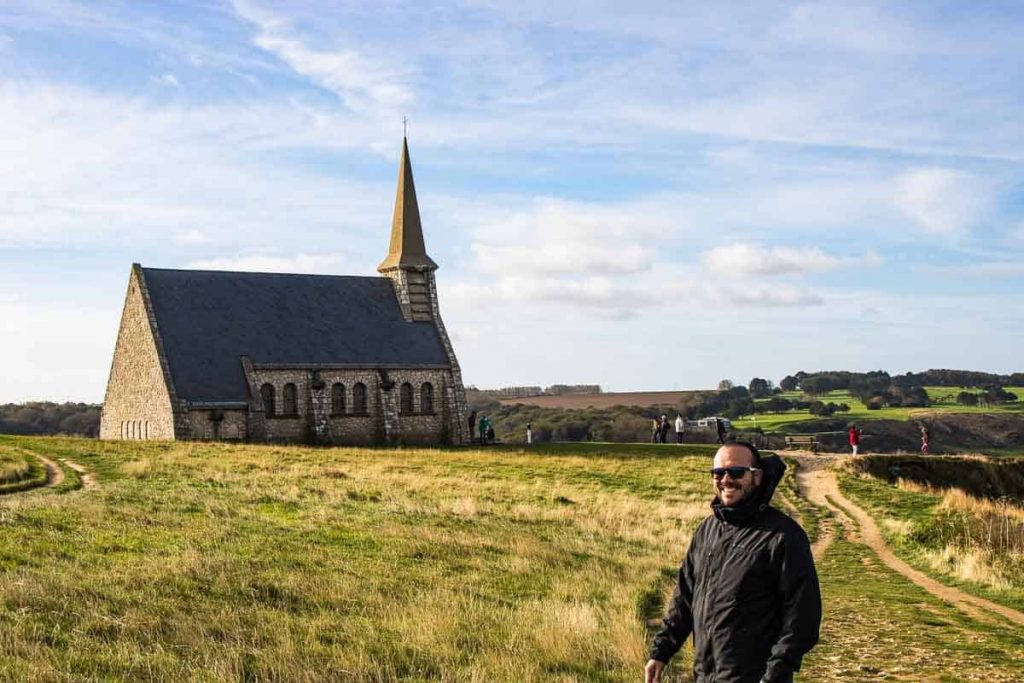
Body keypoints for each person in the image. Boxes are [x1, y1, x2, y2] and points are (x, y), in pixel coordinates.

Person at [645, 441, 821, 683]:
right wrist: (661, 652)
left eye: (736, 472)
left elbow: (803, 618)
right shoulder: (707, 530)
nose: (726, 480)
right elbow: (684, 598)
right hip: (705, 675)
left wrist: (774, 674)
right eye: (718, 473)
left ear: (756, 477)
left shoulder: (783, 536)